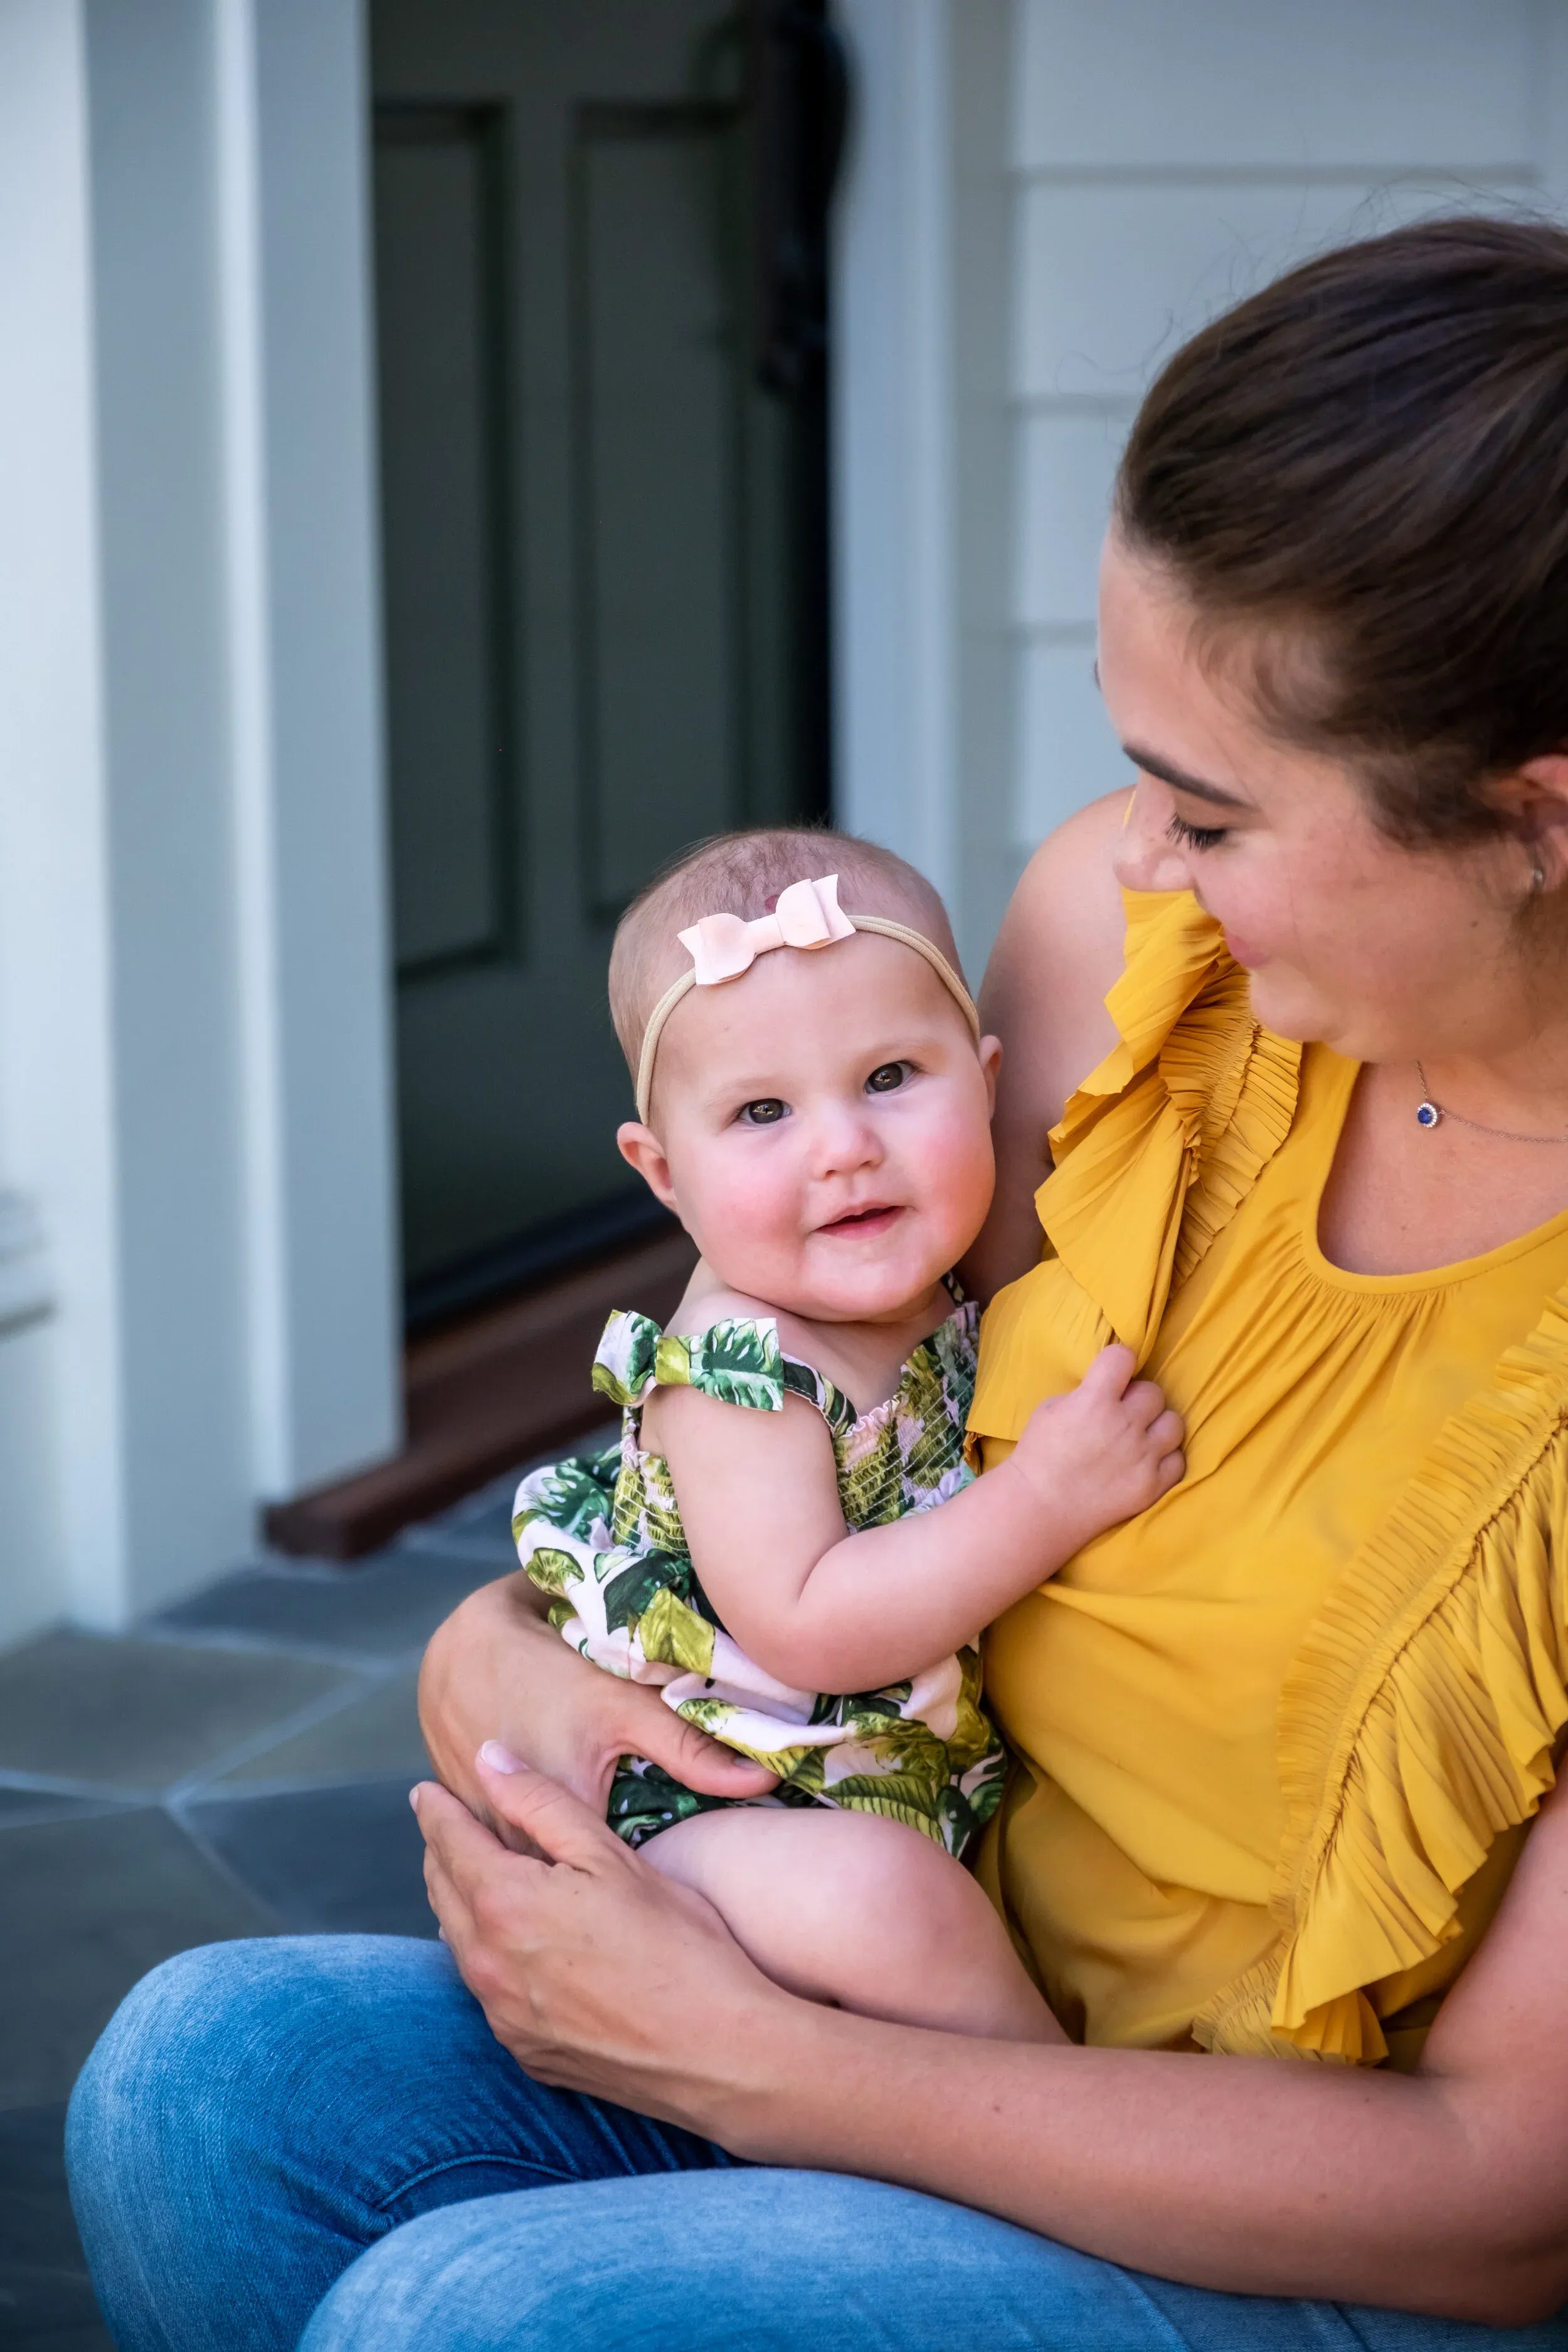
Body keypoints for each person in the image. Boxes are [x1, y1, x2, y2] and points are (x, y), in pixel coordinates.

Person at [68, 215, 1568, 2351]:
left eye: (1209, 811)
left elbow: (1507, 2204)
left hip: (1319, 2202)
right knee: (207, 2076)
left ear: (1538, 816)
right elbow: (796, 1442)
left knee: (482, 2315)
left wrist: (769, 2067)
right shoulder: (1134, 972)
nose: (1144, 860)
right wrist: (509, 1677)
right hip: (930, 1934)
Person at [509, 829, 1181, 2040]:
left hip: (867, 1783)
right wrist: (1048, 1497)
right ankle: (1053, 2124)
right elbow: (808, 1621)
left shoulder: (944, 1283)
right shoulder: (740, 1372)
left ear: (986, 1081)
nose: (844, 1145)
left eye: (889, 1079)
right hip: (723, 1816)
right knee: (893, 1903)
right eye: (762, 1110)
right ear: (664, 1173)